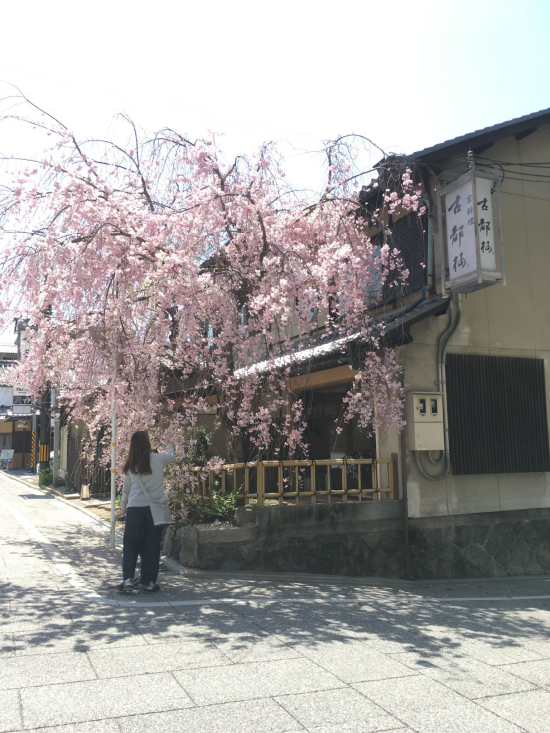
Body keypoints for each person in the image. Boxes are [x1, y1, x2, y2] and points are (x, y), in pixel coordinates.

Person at [118, 431, 175, 593]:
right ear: (147, 443)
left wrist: (123, 507)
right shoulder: (158, 460)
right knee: (152, 546)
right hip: (154, 510)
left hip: (135, 509)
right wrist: (169, 442)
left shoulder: (131, 466)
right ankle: (149, 581)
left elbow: (126, 490)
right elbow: (172, 456)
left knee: (130, 544)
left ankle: (128, 579)